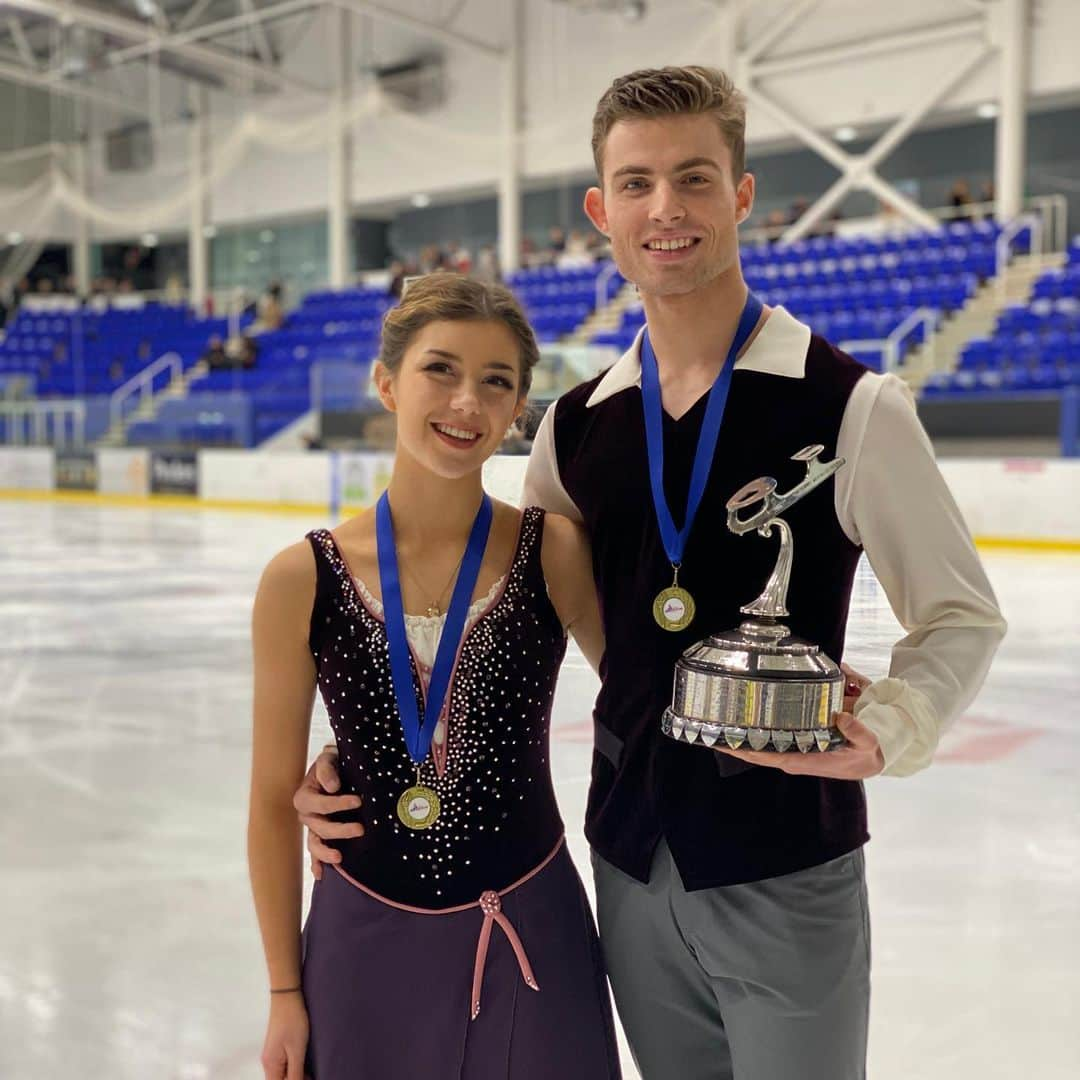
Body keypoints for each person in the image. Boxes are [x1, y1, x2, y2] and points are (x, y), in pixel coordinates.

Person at [295, 66, 1006, 1080]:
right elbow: (500, 627)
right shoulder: (577, 428)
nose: (664, 209)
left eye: (694, 179)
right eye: (635, 183)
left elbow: (962, 616)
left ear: (743, 194)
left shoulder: (851, 408)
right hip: (628, 861)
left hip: (785, 858)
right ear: (601, 209)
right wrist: (357, 762)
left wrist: (893, 727)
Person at [248, 272, 621, 1080]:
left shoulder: (550, 550)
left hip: (530, 929)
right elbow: (271, 805)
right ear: (387, 383)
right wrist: (284, 989)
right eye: (440, 370)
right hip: (362, 942)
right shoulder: (301, 578)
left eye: (497, 383)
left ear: (519, 409)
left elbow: (641, 695)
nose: (467, 403)